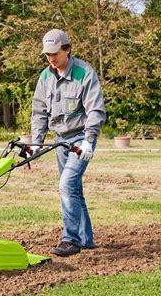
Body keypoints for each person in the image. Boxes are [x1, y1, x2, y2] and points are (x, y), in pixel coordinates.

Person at [31, 29, 106, 257]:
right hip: (60, 141)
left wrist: (89, 140)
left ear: (67, 49)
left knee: (66, 185)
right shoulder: (45, 77)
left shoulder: (85, 73)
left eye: (55, 53)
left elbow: (96, 109)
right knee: (73, 189)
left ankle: (70, 239)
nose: (51, 58)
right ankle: (86, 239)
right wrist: (36, 143)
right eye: (47, 54)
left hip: (81, 138)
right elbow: (39, 112)